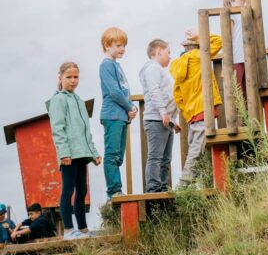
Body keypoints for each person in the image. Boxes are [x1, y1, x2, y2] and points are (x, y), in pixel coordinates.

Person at [47, 62, 102, 239]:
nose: (72, 80)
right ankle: (69, 230)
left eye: (75, 77)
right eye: (68, 77)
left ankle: (83, 229)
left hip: (82, 153)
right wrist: (63, 153)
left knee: (82, 191)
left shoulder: (78, 100)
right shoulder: (58, 99)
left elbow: (85, 130)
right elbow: (58, 128)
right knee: (68, 189)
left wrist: (93, 152)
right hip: (69, 155)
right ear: (60, 78)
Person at [171, 30, 223, 185]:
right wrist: (199, 35)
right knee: (197, 149)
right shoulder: (197, 56)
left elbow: (178, 96)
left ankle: (197, 183)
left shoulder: (177, 66)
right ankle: (184, 185)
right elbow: (218, 41)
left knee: (197, 147)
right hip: (203, 108)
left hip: (192, 115)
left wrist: (188, 113)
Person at [99, 27, 137, 200]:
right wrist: (130, 107)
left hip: (121, 116)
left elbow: (122, 90)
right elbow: (114, 92)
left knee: (119, 156)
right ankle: (113, 191)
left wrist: (130, 109)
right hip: (112, 115)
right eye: (119, 45)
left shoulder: (116, 65)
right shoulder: (106, 65)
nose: (122, 49)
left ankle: (116, 189)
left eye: (124, 46)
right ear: (107, 45)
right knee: (112, 154)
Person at [139, 39, 179, 193]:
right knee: (156, 157)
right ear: (159, 50)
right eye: (168, 52)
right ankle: (154, 189)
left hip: (166, 121)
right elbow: (154, 91)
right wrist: (163, 111)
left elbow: (166, 94)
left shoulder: (159, 70)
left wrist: (173, 120)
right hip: (156, 119)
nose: (170, 56)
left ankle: (162, 187)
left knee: (165, 159)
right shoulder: (152, 68)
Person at [223, 0, 248, 105]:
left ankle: (249, 122)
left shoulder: (245, 10)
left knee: (248, 93)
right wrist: (226, 63)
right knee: (238, 95)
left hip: (246, 58)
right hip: (236, 59)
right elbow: (228, 38)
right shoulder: (231, 11)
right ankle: (241, 123)